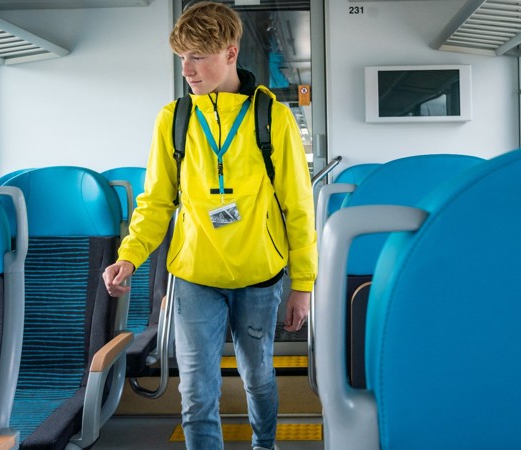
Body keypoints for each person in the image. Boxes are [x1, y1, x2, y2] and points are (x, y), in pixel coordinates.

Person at [102, 2, 317, 449]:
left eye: (198, 56)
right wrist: (130, 256)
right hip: (195, 275)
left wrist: (303, 283)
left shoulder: (271, 117)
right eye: (182, 58)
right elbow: (156, 202)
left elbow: (297, 206)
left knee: (257, 375)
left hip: (260, 273)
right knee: (197, 391)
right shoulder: (174, 120)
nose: (187, 69)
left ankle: (265, 444)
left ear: (231, 53)